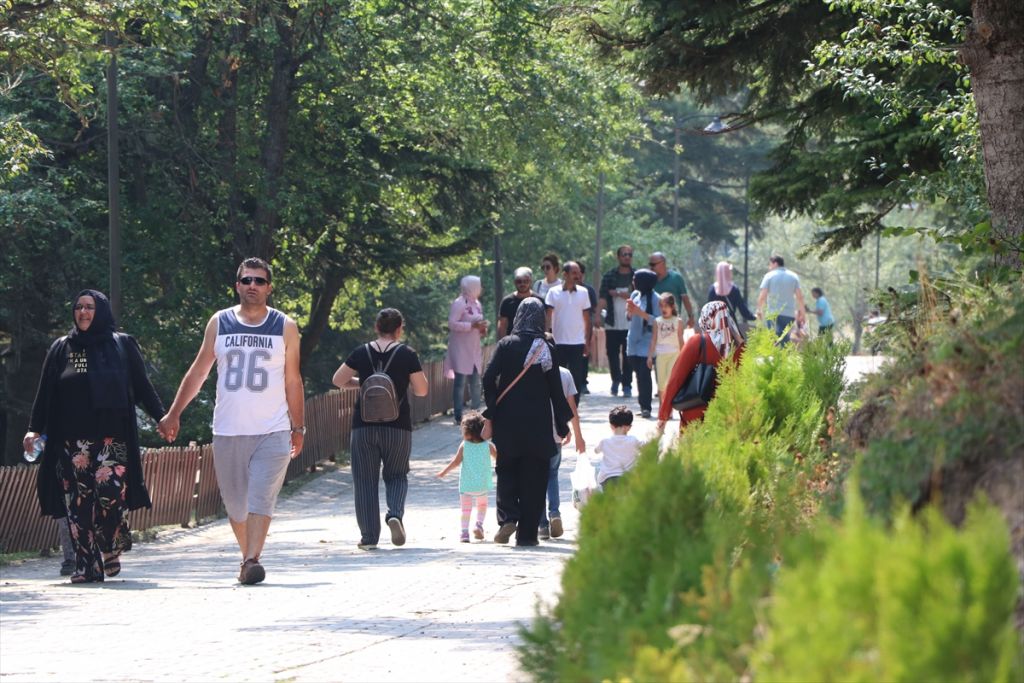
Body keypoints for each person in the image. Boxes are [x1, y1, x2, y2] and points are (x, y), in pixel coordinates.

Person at [158, 258, 305, 585]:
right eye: (247, 280)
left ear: (269, 287)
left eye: (259, 281)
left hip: (273, 429)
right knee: (237, 508)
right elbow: (199, 371)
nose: (253, 286)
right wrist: (174, 412)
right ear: (237, 285)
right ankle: (247, 558)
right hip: (228, 430)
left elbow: (293, 381)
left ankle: (252, 560)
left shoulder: (285, 327)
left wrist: (299, 427)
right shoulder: (220, 323)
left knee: (260, 498)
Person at [26, 289, 166, 583]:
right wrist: (34, 428)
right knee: (79, 504)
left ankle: (110, 544)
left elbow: (142, 386)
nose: (83, 313)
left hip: (110, 438)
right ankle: (85, 566)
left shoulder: (121, 345)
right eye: (78, 307)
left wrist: (163, 417)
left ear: (100, 311)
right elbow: (47, 391)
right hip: (72, 440)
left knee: (110, 495)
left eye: (89, 307)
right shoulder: (65, 348)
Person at [332, 308, 429, 550]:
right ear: (399, 329)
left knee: (364, 480)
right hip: (398, 427)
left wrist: (363, 382)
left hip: (363, 427)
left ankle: (368, 538)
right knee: (396, 474)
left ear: (376, 327)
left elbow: (338, 381)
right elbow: (422, 390)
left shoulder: (360, 352)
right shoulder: (407, 354)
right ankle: (394, 513)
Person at [482, 298, 572, 547]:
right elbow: (556, 389)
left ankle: (508, 516)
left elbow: (488, 378)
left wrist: (493, 407)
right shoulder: (546, 348)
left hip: (508, 423)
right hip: (538, 424)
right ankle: (528, 535)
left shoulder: (506, 345)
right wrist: (563, 423)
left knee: (507, 469)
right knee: (535, 476)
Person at [657, 301, 745, 433]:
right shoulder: (741, 347)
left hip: (696, 415)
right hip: (729, 417)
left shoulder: (698, 342)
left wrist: (663, 415)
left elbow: (676, 379)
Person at [540, 364, 586, 541]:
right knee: (552, 475)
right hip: (556, 433)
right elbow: (572, 408)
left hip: (534, 435)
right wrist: (577, 436)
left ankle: (542, 524)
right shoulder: (565, 373)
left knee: (536, 479)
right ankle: (555, 513)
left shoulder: (530, 370)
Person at [437, 411, 496, 543]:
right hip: (482, 484)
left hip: (466, 485)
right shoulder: (488, 446)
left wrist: (444, 472)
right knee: (482, 505)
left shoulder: (464, 446)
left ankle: (464, 533)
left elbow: (456, 462)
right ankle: (478, 525)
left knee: (465, 510)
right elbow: (499, 459)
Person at [544, 261, 591, 405]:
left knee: (576, 377)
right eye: (574, 272)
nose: (578, 275)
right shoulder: (553, 292)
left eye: (579, 272)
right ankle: (559, 405)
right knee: (557, 375)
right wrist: (546, 337)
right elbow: (548, 316)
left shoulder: (583, 292)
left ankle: (574, 408)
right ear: (565, 274)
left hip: (577, 342)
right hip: (558, 342)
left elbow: (587, 319)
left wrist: (587, 341)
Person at [445, 275, 487, 424]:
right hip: (461, 349)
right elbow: (452, 323)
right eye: (478, 285)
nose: (481, 289)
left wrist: (482, 329)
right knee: (460, 383)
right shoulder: (459, 303)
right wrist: (470, 326)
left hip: (474, 348)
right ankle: (458, 415)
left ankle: (475, 414)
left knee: (476, 382)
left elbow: (477, 322)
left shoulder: (476, 303)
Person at [599, 245, 635, 397]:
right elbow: (602, 297)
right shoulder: (609, 276)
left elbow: (640, 297)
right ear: (618, 257)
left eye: (629, 254)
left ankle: (627, 385)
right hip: (612, 321)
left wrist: (624, 294)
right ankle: (615, 380)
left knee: (628, 355)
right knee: (612, 353)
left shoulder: (637, 276)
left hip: (631, 322)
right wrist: (596, 315)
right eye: (624, 254)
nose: (627, 257)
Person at [625, 269, 658, 418]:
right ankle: (642, 404)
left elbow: (657, 321)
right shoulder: (635, 295)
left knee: (645, 375)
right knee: (638, 375)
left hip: (648, 343)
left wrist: (640, 313)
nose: (633, 281)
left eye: (635, 279)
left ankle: (646, 407)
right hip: (633, 342)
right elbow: (630, 317)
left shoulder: (656, 299)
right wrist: (630, 311)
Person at [757, 255, 806, 345]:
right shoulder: (793, 276)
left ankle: (775, 358)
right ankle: (785, 357)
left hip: (773, 314)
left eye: (770, 264)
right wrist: (803, 314)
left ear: (775, 263)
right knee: (784, 340)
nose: (769, 267)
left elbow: (762, 296)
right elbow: (800, 297)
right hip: (789, 314)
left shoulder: (769, 276)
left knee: (773, 341)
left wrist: (759, 310)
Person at [648, 293, 684, 398]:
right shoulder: (657, 321)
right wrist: (650, 356)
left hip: (674, 355)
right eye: (661, 306)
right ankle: (662, 408)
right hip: (660, 356)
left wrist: (684, 355)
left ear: (672, 307)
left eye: (666, 306)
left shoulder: (678, 321)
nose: (664, 309)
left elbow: (680, 339)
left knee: (670, 382)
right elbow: (653, 339)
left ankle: (669, 410)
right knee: (661, 384)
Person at [595, 406, 641, 487]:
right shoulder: (633, 440)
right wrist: (659, 432)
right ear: (629, 427)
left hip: (607, 478)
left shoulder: (605, 441)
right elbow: (647, 445)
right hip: (627, 478)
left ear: (611, 426)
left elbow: (596, 450)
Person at [706, 261, 755, 335]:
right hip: (731, 325)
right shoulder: (734, 289)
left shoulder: (712, 289)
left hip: (716, 327)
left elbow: (708, 311)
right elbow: (743, 310)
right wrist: (754, 317)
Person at [648, 252, 695, 326]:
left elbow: (685, 298)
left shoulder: (676, 278)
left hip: (673, 322)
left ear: (663, 263)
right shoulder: (649, 280)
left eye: (653, 265)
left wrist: (691, 317)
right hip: (654, 323)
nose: (651, 268)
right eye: (650, 265)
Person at [497, 267, 542, 340]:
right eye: (519, 281)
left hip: (534, 344)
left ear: (530, 281)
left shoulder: (539, 300)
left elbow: (545, 323)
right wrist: (503, 344)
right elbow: (502, 325)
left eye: (526, 281)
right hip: (513, 344)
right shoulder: (507, 302)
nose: (522, 284)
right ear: (514, 282)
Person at [575, 261, 599, 395]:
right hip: (567, 328)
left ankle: (583, 382)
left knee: (584, 354)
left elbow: (593, 310)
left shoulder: (588, 291)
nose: (576, 276)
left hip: (584, 326)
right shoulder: (561, 290)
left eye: (579, 273)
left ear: (583, 275)